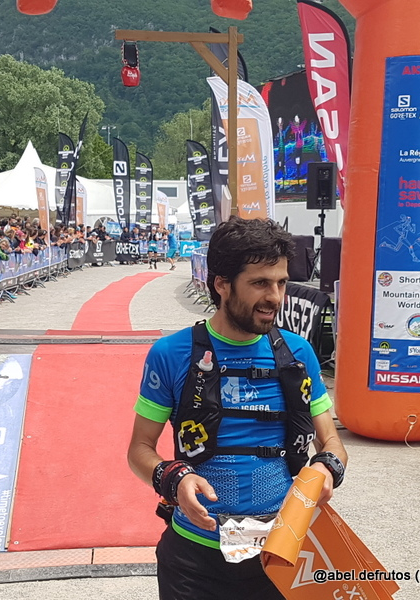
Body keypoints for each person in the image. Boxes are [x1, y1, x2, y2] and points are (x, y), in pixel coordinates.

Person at [127, 216, 348, 600]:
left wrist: (326, 468)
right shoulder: (171, 354)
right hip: (194, 561)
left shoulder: (299, 354)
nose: (275, 297)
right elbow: (139, 450)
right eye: (260, 283)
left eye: (281, 282)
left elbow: (332, 443)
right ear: (222, 284)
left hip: (283, 551)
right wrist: (175, 479)